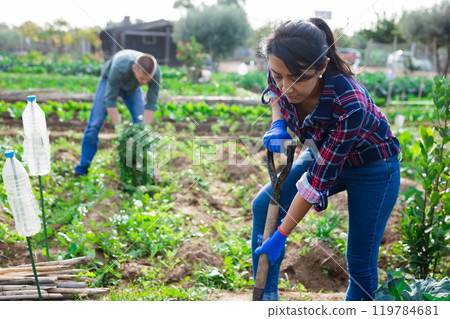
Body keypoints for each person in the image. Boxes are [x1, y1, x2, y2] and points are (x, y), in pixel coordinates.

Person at [252, 17, 401, 301]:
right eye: (279, 75)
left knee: (359, 261)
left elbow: (316, 182)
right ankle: (265, 300)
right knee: (263, 205)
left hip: (373, 167)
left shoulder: (349, 103)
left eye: (297, 79)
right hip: (325, 150)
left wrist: (282, 235)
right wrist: (278, 123)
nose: (286, 86)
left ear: (321, 67)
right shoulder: (281, 68)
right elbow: (274, 93)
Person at [74, 49, 161, 176]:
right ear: (133, 68)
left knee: (143, 131)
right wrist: (118, 127)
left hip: (132, 89)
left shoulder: (155, 72)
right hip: (109, 82)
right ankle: (82, 169)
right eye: (142, 79)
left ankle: (148, 173)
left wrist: (145, 127)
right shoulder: (120, 67)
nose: (145, 83)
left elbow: (151, 103)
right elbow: (109, 100)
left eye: (148, 80)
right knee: (94, 125)